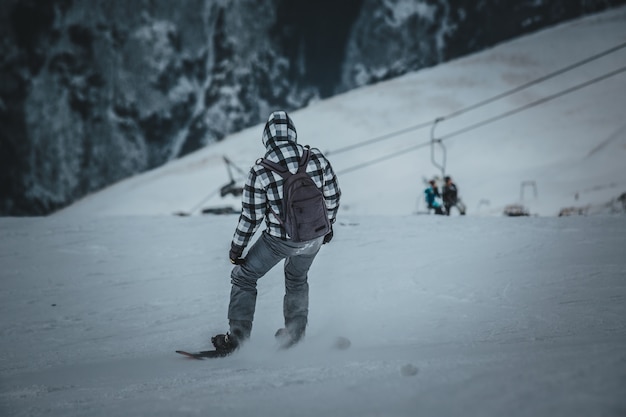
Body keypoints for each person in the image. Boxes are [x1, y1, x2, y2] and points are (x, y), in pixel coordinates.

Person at [211, 110, 341, 354]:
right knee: (297, 278)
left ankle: (237, 340)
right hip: (314, 237)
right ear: (292, 134)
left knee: (244, 277)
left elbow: (251, 217)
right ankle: (294, 334)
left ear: (267, 138)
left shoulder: (261, 170)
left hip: (279, 241)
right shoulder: (315, 157)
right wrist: (328, 227)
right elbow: (333, 195)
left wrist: (236, 250)